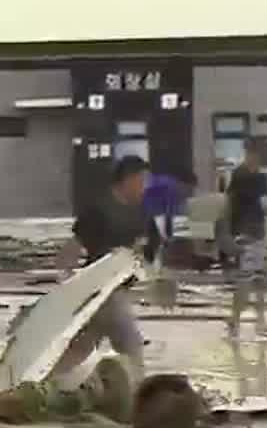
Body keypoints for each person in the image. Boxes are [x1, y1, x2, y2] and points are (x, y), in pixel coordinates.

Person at [46, 155, 150, 385]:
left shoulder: (138, 211)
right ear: (128, 180)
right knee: (130, 344)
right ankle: (141, 392)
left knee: (81, 347)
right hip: (102, 290)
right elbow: (71, 250)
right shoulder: (99, 210)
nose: (145, 187)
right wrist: (67, 284)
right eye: (142, 180)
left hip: (118, 288)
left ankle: (45, 384)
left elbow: (138, 247)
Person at [225, 142, 267, 336]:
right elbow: (230, 204)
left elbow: (263, 206)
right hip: (244, 234)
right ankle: (235, 320)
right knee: (245, 280)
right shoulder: (240, 176)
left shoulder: (260, 177)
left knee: (260, 279)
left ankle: (258, 320)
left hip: (258, 232)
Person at [140, 166, 196, 268]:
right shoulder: (170, 189)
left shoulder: (169, 188)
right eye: (190, 189)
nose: (190, 193)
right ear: (182, 183)